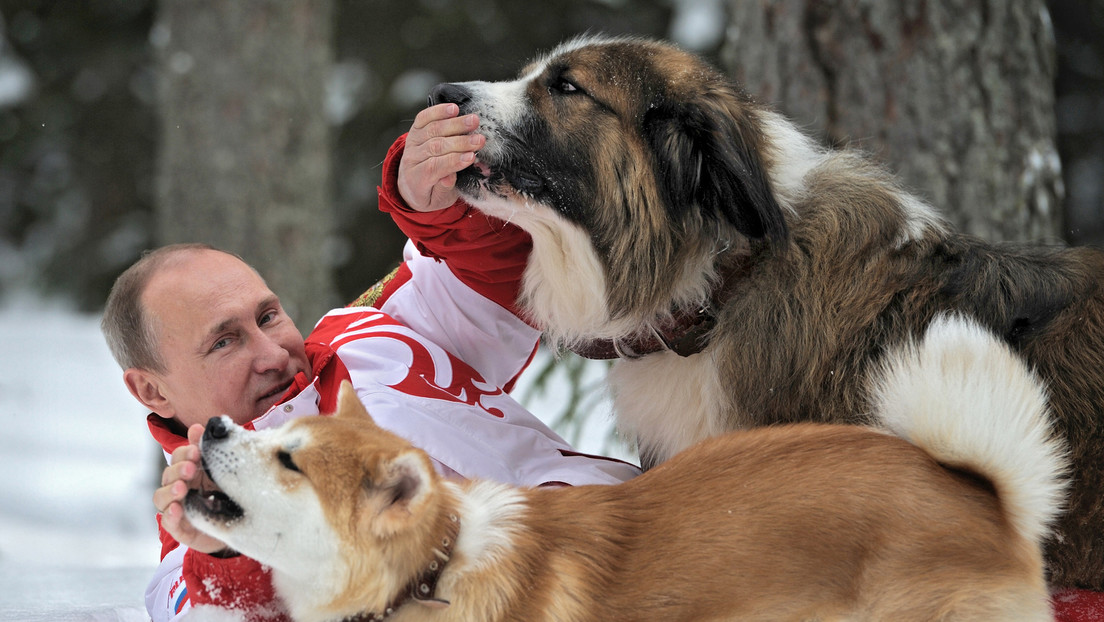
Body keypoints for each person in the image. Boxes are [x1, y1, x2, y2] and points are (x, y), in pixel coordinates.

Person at [101, 103, 641, 622]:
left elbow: (504, 276)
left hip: (649, 533)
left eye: (267, 316)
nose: (272, 355)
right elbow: (217, 611)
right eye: (224, 342)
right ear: (151, 390)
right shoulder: (194, 541)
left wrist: (428, 199)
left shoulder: (368, 333)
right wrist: (230, 542)